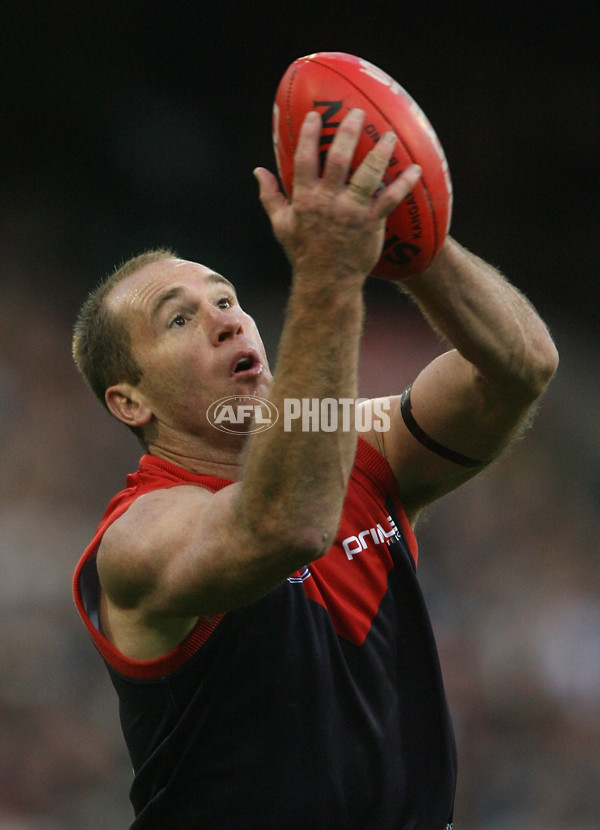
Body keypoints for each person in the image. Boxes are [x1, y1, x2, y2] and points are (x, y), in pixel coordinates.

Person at [72, 107, 558, 829]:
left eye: (228, 299)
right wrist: (330, 272)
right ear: (129, 400)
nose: (227, 319)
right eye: (180, 318)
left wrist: (413, 243)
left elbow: (519, 367)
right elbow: (288, 523)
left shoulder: (351, 443)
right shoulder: (138, 539)